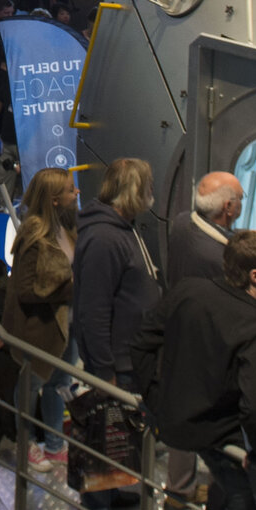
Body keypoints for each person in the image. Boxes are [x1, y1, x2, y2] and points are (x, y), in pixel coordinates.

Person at [129, 231, 256, 510]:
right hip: (222, 441)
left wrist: (155, 399)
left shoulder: (187, 290)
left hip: (178, 423)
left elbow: (141, 345)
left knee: (225, 499)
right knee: (243, 508)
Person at [4, 166, 79, 471]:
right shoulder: (33, 235)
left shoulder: (67, 225)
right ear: (54, 199)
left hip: (67, 325)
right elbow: (25, 290)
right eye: (70, 189)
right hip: (38, 330)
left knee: (59, 383)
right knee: (30, 386)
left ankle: (54, 444)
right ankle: (25, 444)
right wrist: (68, 290)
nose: (76, 193)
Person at [72, 158, 160, 393]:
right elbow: (93, 311)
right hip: (119, 372)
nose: (152, 191)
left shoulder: (125, 227)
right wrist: (105, 373)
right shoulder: (104, 238)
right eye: (148, 185)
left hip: (134, 362)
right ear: (134, 190)